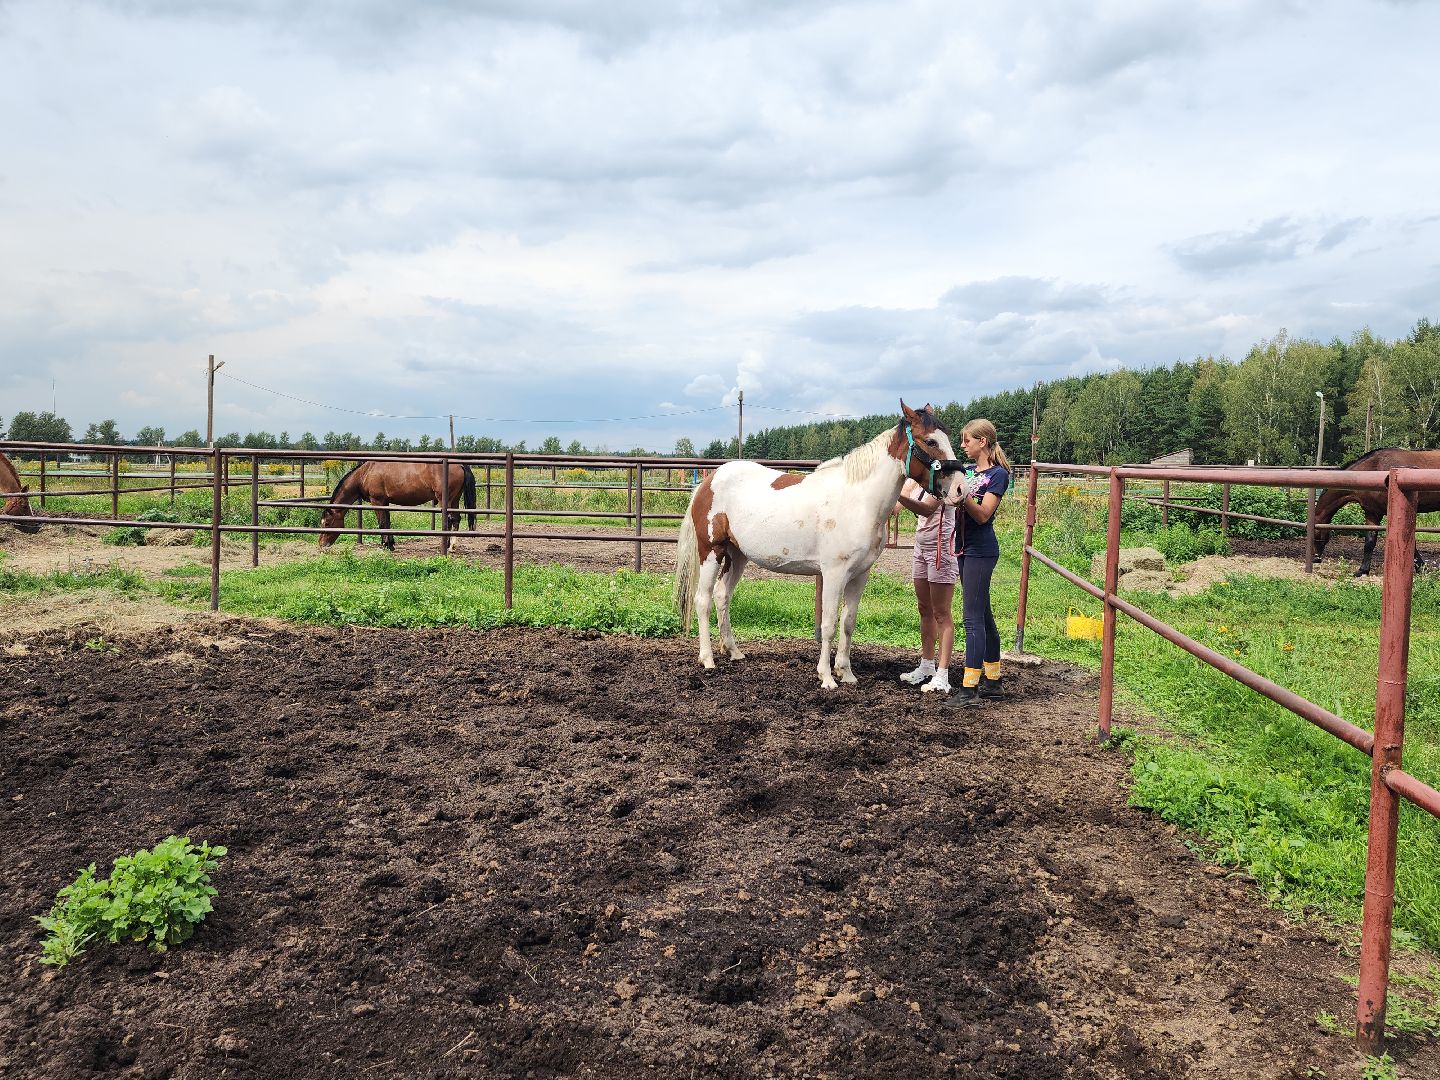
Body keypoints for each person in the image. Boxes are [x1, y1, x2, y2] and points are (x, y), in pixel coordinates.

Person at [943, 418, 1011, 709]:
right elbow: (950, 496)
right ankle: (993, 681)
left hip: (981, 550)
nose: (963, 446)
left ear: (982, 442)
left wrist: (964, 497)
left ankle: (969, 687)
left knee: (971, 618)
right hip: (963, 548)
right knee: (983, 615)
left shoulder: (998, 475)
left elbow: (983, 514)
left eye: (967, 440)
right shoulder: (967, 470)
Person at [895, 469, 959, 693]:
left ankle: (943, 675)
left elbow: (927, 507)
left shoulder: (947, 477)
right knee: (924, 609)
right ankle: (927, 665)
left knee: (942, 613)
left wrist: (895, 494)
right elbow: (896, 506)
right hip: (921, 547)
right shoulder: (917, 480)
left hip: (940, 549)